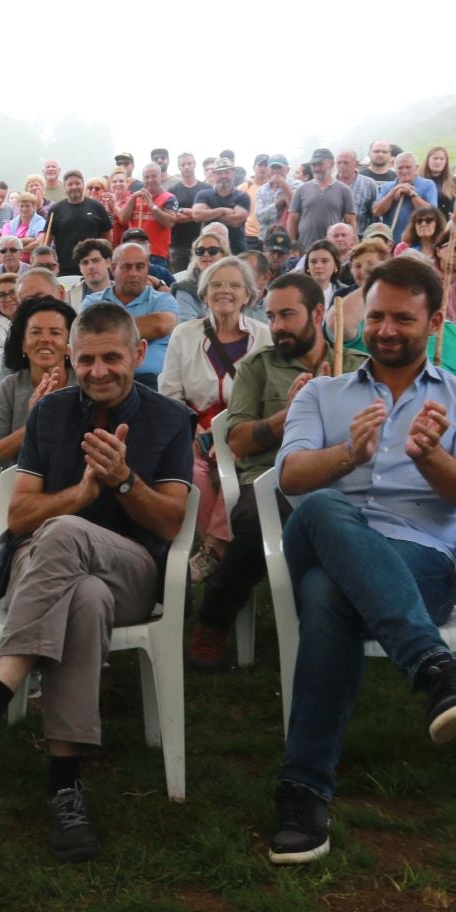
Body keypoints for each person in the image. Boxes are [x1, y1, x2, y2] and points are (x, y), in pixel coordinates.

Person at [0, 301, 192, 861]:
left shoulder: (170, 419)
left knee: (63, 532)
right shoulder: (50, 413)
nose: (99, 371)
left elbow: (173, 522)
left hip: (133, 568)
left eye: (112, 357)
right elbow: (16, 517)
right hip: (54, 573)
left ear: (137, 354)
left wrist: (124, 482)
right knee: (81, 590)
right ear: (70, 357)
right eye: (86, 359)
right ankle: (65, 786)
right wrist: (81, 496)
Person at [267, 256, 456, 865]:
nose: (387, 329)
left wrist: (431, 460)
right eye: (376, 317)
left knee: (327, 596)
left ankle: (302, 792)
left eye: (403, 318)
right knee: (321, 507)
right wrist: (349, 454)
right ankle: (434, 670)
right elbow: (289, 477)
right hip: (319, 534)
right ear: (359, 319)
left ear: (433, 324)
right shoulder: (321, 393)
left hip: (419, 562)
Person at [186, 272, 333, 671]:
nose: (278, 326)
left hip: (339, 478)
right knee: (256, 518)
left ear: (317, 313)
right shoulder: (257, 367)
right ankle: (213, 619)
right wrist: (291, 415)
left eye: (288, 315)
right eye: (272, 316)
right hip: (273, 479)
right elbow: (237, 441)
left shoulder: (352, 364)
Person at [159, 255, 271, 582]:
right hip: (196, 434)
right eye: (217, 285)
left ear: (249, 295)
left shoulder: (265, 337)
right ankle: (225, 553)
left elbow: (268, 397)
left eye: (235, 285)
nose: (225, 291)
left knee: (237, 469)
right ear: (204, 293)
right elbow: (170, 396)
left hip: (244, 435)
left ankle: (214, 552)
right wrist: (193, 433)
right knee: (190, 471)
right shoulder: (185, 334)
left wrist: (234, 441)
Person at [0, 295, 75, 478]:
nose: (45, 339)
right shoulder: (11, 387)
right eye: (35, 332)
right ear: (23, 345)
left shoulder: (85, 384)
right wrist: (32, 425)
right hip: (23, 486)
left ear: (69, 346)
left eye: (55, 332)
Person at [82, 241, 178, 385]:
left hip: (154, 383)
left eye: (140, 267)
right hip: (106, 379)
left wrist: (106, 332)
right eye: (126, 267)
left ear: (147, 269)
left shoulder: (163, 300)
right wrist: (144, 329)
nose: (134, 273)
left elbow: (161, 325)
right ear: (113, 268)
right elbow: (90, 338)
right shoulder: (92, 302)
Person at [287, 148, 356, 251]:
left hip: (333, 250)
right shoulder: (302, 190)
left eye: (320, 164)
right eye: (314, 165)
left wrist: (352, 246)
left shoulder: (344, 190)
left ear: (332, 164)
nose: (317, 168)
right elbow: (292, 220)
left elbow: (350, 222)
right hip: (305, 248)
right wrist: (293, 246)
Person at [372, 152, 439, 241]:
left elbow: (431, 213)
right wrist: (393, 191)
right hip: (392, 243)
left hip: (419, 243)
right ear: (395, 169)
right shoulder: (387, 186)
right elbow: (376, 211)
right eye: (400, 168)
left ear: (416, 167)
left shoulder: (428, 185)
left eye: (408, 167)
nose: (404, 171)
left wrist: (411, 193)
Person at [68, 237, 112, 308]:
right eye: (85, 262)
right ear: (80, 267)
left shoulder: (123, 293)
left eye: (96, 260)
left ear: (108, 262)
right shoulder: (69, 296)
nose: (90, 267)